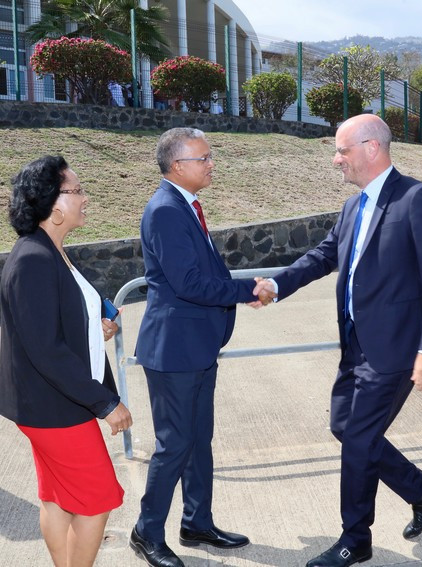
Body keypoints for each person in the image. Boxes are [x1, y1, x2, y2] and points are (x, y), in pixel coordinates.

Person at [255, 114, 422, 567]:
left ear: (371, 148)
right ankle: (420, 488)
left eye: (342, 150)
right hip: (355, 344)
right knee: (345, 427)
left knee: (360, 438)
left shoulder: (416, 198)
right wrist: (276, 285)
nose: (336, 160)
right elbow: (325, 254)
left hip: (395, 350)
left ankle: (355, 537)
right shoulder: (353, 207)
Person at [130, 127, 262, 567]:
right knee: (175, 444)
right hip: (174, 352)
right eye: (203, 158)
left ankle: (196, 522)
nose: (211, 164)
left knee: (197, 440)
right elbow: (188, 283)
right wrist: (248, 291)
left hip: (196, 348)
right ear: (176, 166)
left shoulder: (184, 206)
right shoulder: (166, 210)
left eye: (209, 157)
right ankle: (146, 532)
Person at [0, 155, 133, 566]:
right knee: (98, 498)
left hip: (51, 403)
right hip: (55, 407)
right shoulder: (34, 260)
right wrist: (107, 403)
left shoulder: (51, 252)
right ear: (53, 203)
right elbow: (46, 349)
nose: (85, 198)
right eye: (77, 190)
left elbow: (53, 323)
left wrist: (96, 326)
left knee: (58, 497)